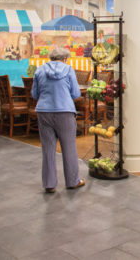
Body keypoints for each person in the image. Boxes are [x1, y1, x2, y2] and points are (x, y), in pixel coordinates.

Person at [31, 47, 85, 193]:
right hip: (65, 112)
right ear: (65, 58)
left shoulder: (39, 70)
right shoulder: (68, 70)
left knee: (48, 148)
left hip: (43, 112)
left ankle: (49, 184)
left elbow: (34, 94)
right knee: (69, 147)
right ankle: (73, 181)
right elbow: (75, 93)